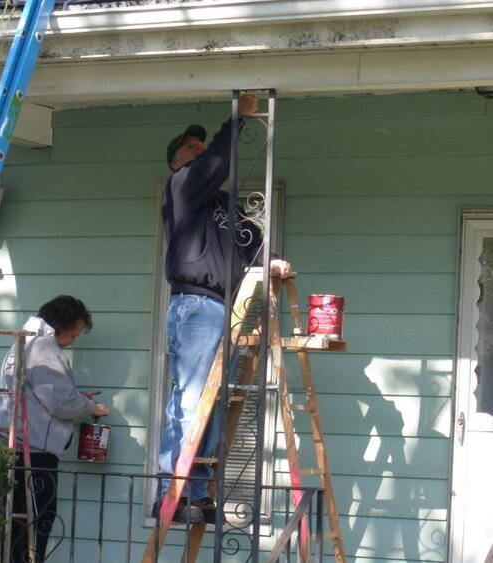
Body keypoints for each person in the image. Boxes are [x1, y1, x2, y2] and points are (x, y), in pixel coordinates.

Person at [157, 93, 291, 524]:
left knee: (210, 403)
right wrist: (236, 121)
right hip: (196, 305)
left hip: (219, 309)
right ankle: (171, 492)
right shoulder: (180, 189)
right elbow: (215, 163)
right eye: (190, 148)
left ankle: (194, 493)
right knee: (193, 400)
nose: (199, 149)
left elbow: (250, 243)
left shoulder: (219, 208)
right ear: (178, 165)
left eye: (201, 144)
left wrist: (271, 262)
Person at [0, 295, 110, 562]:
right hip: (34, 452)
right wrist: (92, 408)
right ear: (62, 325)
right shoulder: (44, 347)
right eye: (74, 333)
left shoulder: (24, 341)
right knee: (38, 520)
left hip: (14, 445)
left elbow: (41, 394)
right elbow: (60, 401)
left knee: (16, 524)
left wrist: (78, 398)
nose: (73, 340)